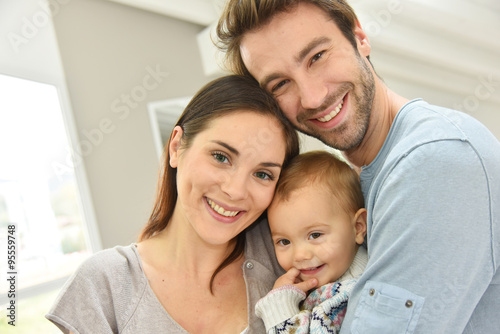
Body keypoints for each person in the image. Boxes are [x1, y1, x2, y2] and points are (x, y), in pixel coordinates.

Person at [216, 1, 500, 333]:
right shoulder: (357, 183)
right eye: (280, 84)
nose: (311, 97)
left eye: (317, 56)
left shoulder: (437, 161)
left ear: (358, 35)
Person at [45, 75, 305, 333]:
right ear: (176, 147)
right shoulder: (105, 284)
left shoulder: (289, 255)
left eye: (262, 174)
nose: (235, 191)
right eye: (220, 156)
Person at [255, 150, 368, 333]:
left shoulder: (352, 294)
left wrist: (279, 306)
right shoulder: (333, 280)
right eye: (284, 241)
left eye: (315, 235)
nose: (300, 255)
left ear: (358, 227)